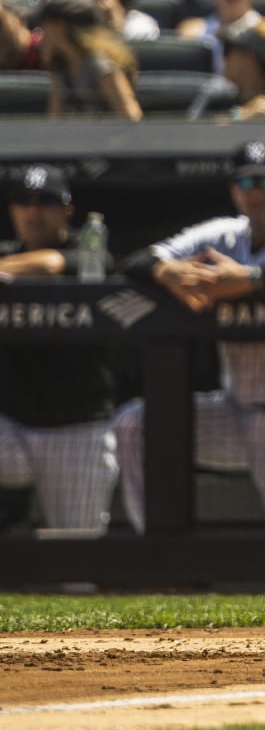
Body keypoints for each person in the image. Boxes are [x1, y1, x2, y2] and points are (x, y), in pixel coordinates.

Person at [114, 140, 265, 534]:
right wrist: (167, 272)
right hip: (234, 413)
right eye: (247, 181)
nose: (257, 190)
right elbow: (136, 259)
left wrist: (252, 280)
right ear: (234, 190)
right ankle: (161, 552)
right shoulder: (222, 235)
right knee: (133, 425)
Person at [0, 164, 118, 531]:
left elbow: (51, 264)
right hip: (12, 429)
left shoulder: (89, 254)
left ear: (66, 210)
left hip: (76, 429)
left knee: (77, 569)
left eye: (45, 203)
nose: (33, 212)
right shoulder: (7, 252)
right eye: (23, 202)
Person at [37, 0, 141, 120]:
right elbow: (54, 123)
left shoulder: (101, 67)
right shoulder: (61, 68)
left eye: (45, 23)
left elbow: (131, 118)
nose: (41, 30)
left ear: (60, 27)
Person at [188, 17, 265, 120]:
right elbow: (192, 134)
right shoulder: (215, 93)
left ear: (249, 60)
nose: (223, 58)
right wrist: (240, 115)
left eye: (228, 51)